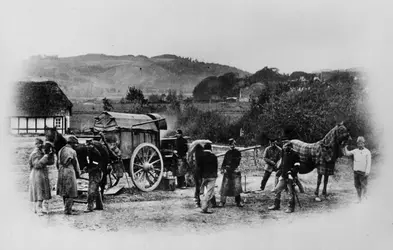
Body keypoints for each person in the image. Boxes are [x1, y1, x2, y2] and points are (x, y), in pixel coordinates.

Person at [268, 143, 300, 213]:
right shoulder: (283, 152)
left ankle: (290, 207)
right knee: (277, 190)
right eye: (284, 147)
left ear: (290, 147)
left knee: (290, 192)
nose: (285, 148)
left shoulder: (295, 154)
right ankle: (276, 205)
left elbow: (297, 166)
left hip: (291, 177)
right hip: (283, 176)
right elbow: (283, 163)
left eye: (286, 147)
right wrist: (280, 172)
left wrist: (291, 173)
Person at [28, 139, 55, 215]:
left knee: (42, 191)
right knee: (38, 191)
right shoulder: (35, 153)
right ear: (36, 144)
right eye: (39, 144)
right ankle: (38, 208)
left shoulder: (41, 152)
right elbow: (37, 165)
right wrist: (45, 156)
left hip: (42, 174)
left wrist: (51, 155)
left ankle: (38, 208)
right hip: (37, 174)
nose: (41, 146)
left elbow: (50, 162)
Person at [57, 135, 82, 215]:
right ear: (72, 143)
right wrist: (78, 173)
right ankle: (68, 210)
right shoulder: (72, 151)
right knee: (71, 191)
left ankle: (66, 207)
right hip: (69, 171)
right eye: (75, 144)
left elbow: (57, 163)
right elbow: (76, 164)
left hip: (61, 171)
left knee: (64, 191)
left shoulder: (61, 150)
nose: (76, 145)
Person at [343, 136, 372, 203]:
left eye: (361, 143)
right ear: (357, 144)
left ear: (364, 143)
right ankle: (359, 199)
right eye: (358, 143)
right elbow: (347, 153)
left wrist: (367, 172)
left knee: (364, 186)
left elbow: (369, 163)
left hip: (363, 172)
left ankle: (365, 199)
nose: (360, 145)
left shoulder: (367, 152)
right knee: (357, 186)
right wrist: (345, 147)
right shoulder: (355, 151)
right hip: (356, 172)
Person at [219, 138, 244, 207]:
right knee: (224, 187)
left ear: (235, 144)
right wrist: (222, 168)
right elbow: (224, 161)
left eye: (233, 144)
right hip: (227, 171)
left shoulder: (237, 152)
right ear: (229, 145)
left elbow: (237, 162)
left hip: (234, 171)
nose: (232, 145)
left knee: (237, 187)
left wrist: (231, 167)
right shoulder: (227, 153)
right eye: (231, 144)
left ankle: (238, 202)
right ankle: (222, 202)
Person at [82, 144, 104, 213]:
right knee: (96, 189)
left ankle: (90, 207)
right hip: (96, 172)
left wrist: (88, 169)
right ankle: (99, 205)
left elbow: (96, 165)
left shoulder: (94, 154)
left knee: (91, 190)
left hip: (96, 173)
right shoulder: (93, 152)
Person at [199, 143, 218, 214]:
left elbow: (199, 167)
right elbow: (215, 167)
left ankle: (202, 204)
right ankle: (204, 208)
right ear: (210, 149)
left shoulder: (201, 157)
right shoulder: (214, 157)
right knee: (209, 192)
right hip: (212, 176)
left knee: (201, 191)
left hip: (203, 176)